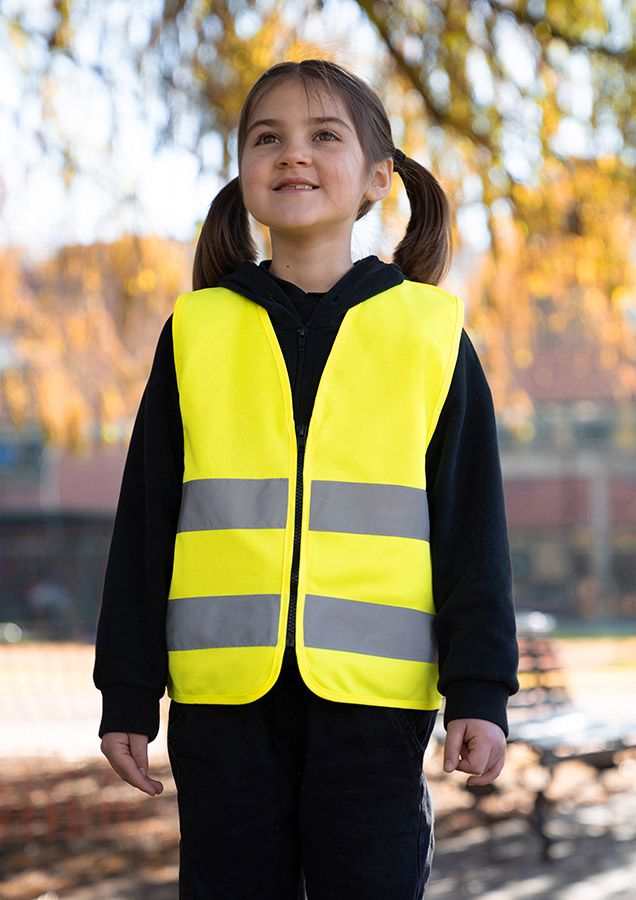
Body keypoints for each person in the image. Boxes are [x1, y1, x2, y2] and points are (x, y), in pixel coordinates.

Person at [93, 59, 519, 899]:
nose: (293, 154)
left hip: (375, 707)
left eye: (324, 136)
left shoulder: (429, 334)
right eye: (267, 138)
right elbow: (144, 524)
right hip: (222, 705)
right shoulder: (197, 331)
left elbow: (474, 527)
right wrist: (128, 693)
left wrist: (480, 688)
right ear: (243, 174)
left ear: (376, 179)